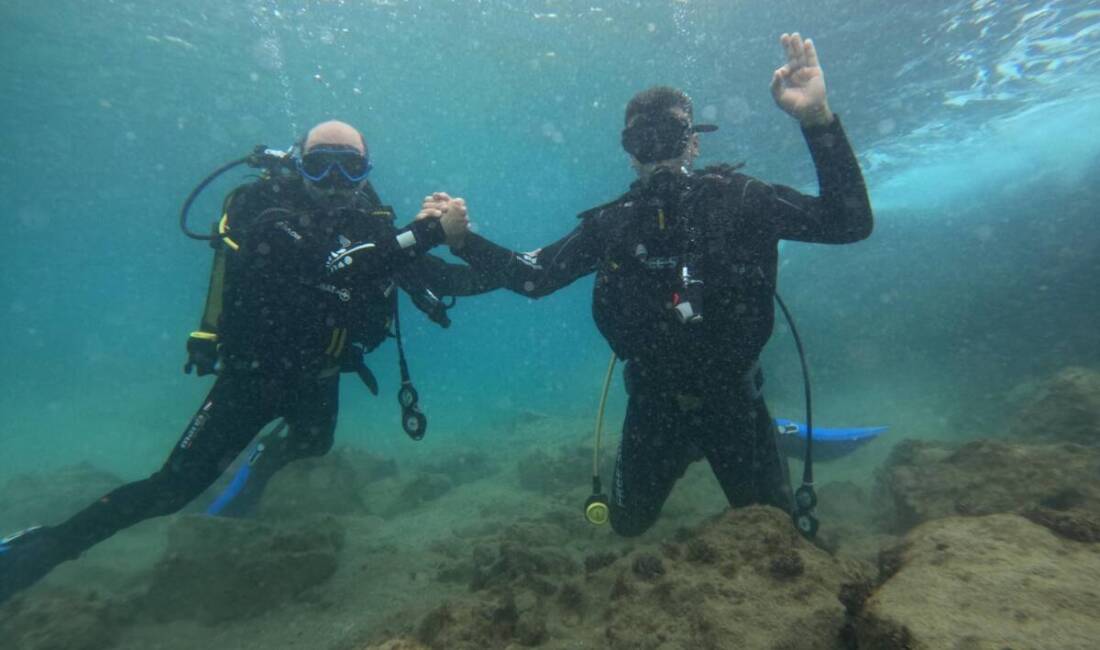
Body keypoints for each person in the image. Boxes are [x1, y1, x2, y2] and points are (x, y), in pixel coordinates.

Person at [0, 120, 486, 603]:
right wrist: (423, 232)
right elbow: (328, 265)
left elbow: (437, 278)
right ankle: (47, 546)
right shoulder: (264, 208)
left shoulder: (371, 222)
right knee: (172, 488)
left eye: (350, 167)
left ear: (366, 171)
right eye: (321, 167)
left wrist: (470, 248)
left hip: (321, 372)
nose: (336, 182)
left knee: (312, 445)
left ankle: (260, 463)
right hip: (252, 377)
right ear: (299, 167)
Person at [427, 33, 873, 536]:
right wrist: (463, 240)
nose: (658, 153)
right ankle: (718, 445)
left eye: (671, 137)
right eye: (644, 142)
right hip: (653, 410)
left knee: (774, 534)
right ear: (630, 154)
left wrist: (817, 120)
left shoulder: (745, 200)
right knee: (627, 524)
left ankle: (776, 433)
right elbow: (535, 277)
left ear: (695, 142)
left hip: (736, 406)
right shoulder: (612, 224)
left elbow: (848, 222)